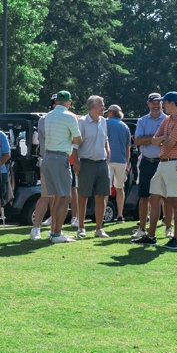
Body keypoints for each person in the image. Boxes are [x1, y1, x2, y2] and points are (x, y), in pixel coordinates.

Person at [35, 91, 78, 242]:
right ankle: (56, 233)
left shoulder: (46, 117)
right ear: (69, 102)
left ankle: (53, 232)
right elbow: (78, 139)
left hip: (47, 158)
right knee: (65, 197)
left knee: (56, 197)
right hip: (60, 158)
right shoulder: (70, 117)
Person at [152, 92, 177, 249]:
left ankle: (176, 239)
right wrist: (163, 138)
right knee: (154, 196)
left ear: (173, 103)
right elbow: (155, 140)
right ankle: (150, 236)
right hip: (164, 162)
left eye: (165, 103)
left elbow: (170, 144)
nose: (162, 105)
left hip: (175, 163)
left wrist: (162, 140)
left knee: (174, 200)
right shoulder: (167, 119)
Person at [71, 96, 112, 240]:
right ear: (93, 107)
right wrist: (76, 163)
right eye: (101, 105)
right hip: (86, 163)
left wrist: (108, 152)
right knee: (83, 196)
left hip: (102, 163)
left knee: (101, 196)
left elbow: (105, 139)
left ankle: (99, 228)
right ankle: (81, 228)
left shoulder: (103, 121)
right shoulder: (82, 122)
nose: (104, 107)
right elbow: (75, 145)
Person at [132, 93, 165, 240]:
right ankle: (142, 228)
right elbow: (137, 140)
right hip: (146, 162)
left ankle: (168, 227)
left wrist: (149, 139)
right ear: (148, 104)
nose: (156, 105)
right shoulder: (142, 120)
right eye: (154, 102)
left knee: (164, 197)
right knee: (144, 196)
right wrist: (156, 139)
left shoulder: (167, 120)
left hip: (162, 162)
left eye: (159, 102)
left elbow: (168, 140)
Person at [105, 104, 132, 224]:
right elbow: (128, 148)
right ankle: (120, 216)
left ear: (111, 112)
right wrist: (127, 163)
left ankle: (102, 215)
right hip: (121, 161)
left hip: (108, 160)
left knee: (105, 189)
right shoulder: (125, 126)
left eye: (108, 112)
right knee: (120, 188)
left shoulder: (105, 123)